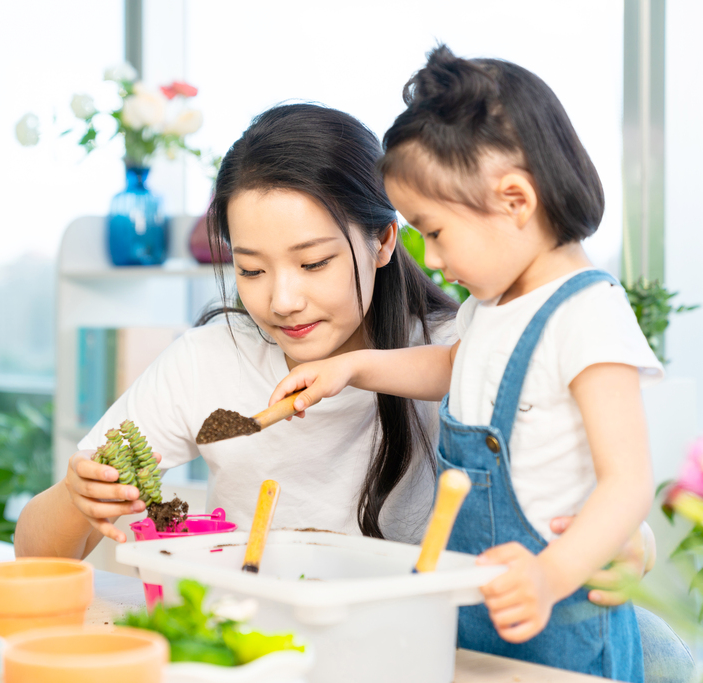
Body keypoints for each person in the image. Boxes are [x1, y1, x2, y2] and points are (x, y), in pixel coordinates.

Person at [14, 102, 685, 681]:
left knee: (661, 654)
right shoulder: (208, 362)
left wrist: (622, 545)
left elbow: (590, 481)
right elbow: (36, 555)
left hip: (433, 646)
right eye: (250, 269)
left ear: (386, 239)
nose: (281, 298)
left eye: (314, 262)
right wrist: (78, 498)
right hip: (268, 648)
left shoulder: (463, 350)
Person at [268, 48, 690, 681]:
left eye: (435, 231)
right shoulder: (495, 304)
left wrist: (550, 576)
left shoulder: (587, 315)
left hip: (557, 609)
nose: (431, 258)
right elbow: (454, 369)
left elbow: (627, 482)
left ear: (515, 200)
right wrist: (353, 368)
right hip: (478, 591)